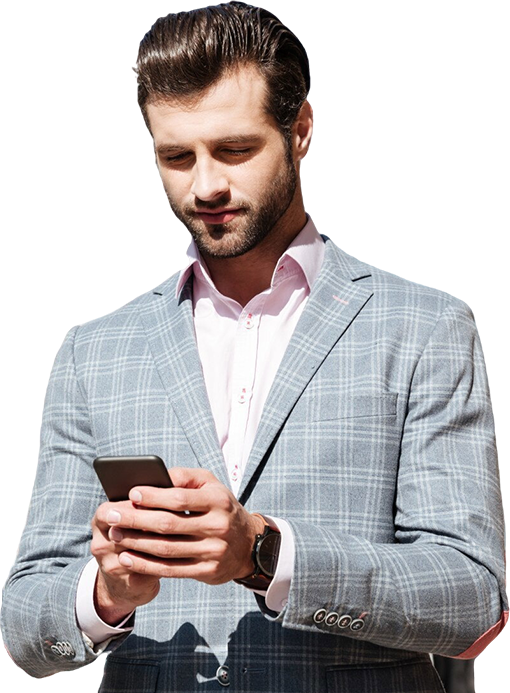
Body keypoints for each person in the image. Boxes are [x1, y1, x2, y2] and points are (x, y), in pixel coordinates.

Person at [1, 3, 508, 691]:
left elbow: (473, 599)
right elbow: (25, 626)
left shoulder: (424, 328)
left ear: (300, 130)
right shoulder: (93, 353)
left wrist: (264, 553)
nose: (206, 184)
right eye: (176, 157)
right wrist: (105, 593)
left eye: (235, 149)